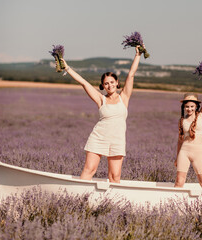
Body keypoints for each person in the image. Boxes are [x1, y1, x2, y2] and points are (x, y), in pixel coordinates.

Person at [60, 46, 142, 182]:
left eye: (111, 82)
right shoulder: (101, 99)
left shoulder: (124, 97)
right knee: (89, 170)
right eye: (106, 84)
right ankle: (79, 196)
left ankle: (114, 202)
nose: (109, 86)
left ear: (117, 83)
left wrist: (138, 55)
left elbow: (131, 74)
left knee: (114, 176)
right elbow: (84, 83)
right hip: (98, 137)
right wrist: (67, 68)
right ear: (102, 86)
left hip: (117, 140)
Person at [174, 74, 202, 188]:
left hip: (198, 153)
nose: (189, 109)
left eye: (192, 106)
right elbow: (179, 141)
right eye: (187, 107)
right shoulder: (182, 121)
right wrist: (177, 157)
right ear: (184, 107)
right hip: (184, 152)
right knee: (179, 182)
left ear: (196, 106)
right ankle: (174, 204)